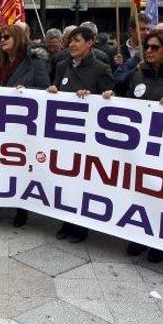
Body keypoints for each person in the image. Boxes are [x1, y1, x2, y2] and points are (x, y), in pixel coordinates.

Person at [102, 29, 163, 262]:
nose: (149, 51)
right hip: (140, 148)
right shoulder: (139, 75)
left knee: (162, 194)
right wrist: (111, 95)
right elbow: (128, 101)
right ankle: (139, 235)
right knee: (141, 192)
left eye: (155, 47)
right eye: (147, 47)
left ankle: (160, 242)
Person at [47, 26, 114, 243]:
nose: (72, 45)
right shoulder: (61, 66)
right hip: (64, 135)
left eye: (77, 41)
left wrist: (95, 96)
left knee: (83, 181)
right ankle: (66, 222)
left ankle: (81, 226)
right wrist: (53, 91)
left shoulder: (101, 68)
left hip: (88, 139)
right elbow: (54, 89)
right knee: (65, 179)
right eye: (71, 41)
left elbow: (110, 102)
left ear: (90, 43)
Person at [0, 24, 50, 228]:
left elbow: (45, 90)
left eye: (6, 36)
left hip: (23, 127)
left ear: (19, 38)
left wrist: (27, 91)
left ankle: (22, 209)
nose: (2, 39)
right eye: (0, 36)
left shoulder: (35, 63)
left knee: (21, 167)